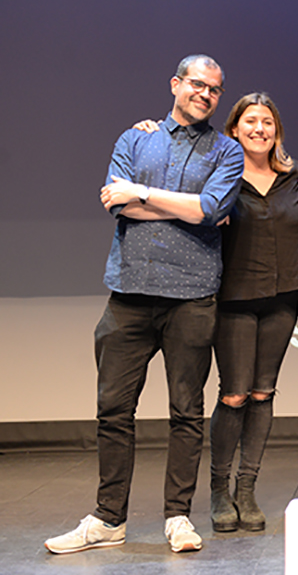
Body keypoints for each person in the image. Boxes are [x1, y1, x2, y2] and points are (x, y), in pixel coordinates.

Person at [45, 55, 243, 554]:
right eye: (197, 84)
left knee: (186, 412)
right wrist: (174, 205)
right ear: (176, 84)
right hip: (129, 294)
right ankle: (108, 519)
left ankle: (178, 517)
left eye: (215, 89)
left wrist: (144, 194)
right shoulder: (135, 139)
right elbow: (117, 201)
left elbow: (210, 209)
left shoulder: (227, 150)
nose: (205, 94)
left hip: (192, 296)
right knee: (113, 409)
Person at [206, 93, 298, 534]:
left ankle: (246, 489)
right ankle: (219, 489)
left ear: (276, 131)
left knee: (263, 393)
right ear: (234, 129)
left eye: (267, 122)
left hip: (283, 298)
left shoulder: (297, 181)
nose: (259, 129)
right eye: (250, 121)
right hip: (234, 299)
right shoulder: (219, 180)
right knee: (234, 394)